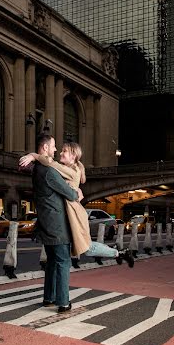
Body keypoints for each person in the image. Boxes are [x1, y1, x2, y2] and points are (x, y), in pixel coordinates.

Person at [19, 141, 134, 267]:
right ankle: (119, 253)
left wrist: (33, 156)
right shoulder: (71, 169)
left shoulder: (73, 171)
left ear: (73, 156)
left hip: (74, 215)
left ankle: (119, 253)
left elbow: (51, 164)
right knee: (84, 247)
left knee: (87, 248)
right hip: (70, 213)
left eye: (64, 151)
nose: (60, 153)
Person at [29, 134, 83, 313]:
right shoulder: (50, 172)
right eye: (53, 146)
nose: (55, 149)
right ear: (45, 148)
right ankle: (63, 302)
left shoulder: (36, 169)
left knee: (52, 262)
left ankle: (48, 298)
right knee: (62, 263)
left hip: (45, 224)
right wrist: (77, 193)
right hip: (57, 227)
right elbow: (71, 194)